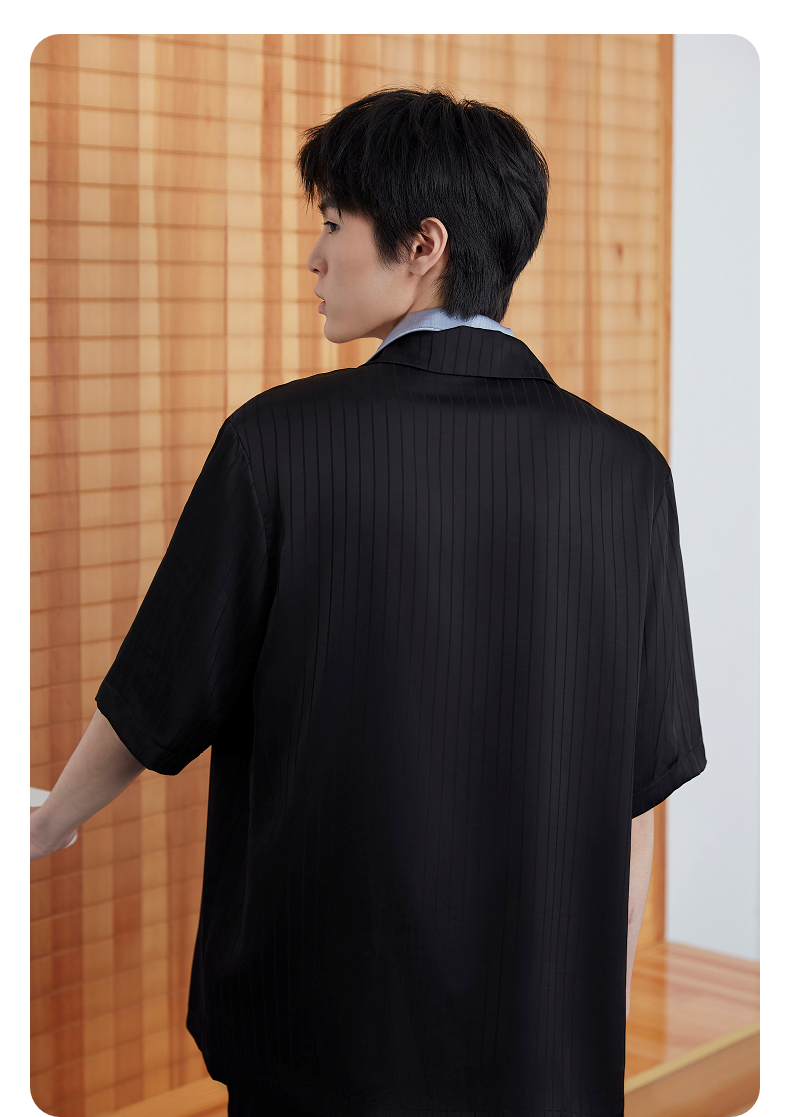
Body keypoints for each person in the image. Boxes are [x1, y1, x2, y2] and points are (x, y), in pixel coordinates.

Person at [31, 88, 706, 1117]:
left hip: (323, 1045)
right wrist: (589, 1024)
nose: (314, 258)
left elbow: (159, 695)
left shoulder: (278, 442)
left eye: (333, 223)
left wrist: (51, 821)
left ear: (423, 244)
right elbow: (638, 781)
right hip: (543, 1057)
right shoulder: (629, 472)